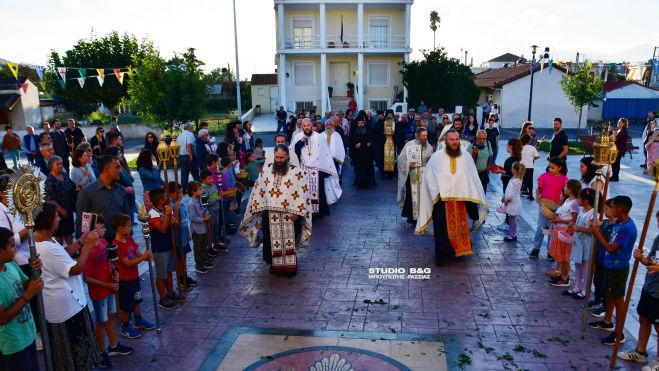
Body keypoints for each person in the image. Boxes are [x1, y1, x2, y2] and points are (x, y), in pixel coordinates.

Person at [35, 203, 101, 370]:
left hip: (70, 303)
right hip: (66, 308)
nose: (59, 218)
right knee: (74, 355)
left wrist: (80, 242)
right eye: (56, 216)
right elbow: (76, 269)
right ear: (47, 220)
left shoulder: (46, 240)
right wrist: (89, 245)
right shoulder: (46, 247)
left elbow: (62, 254)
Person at [415, 131, 488, 266]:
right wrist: (436, 191)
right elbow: (429, 177)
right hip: (442, 200)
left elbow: (471, 177)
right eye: (451, 139)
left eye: (456, 139)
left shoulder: (466, 157)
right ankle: (441, 255)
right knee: (441, 229)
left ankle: (458, 252)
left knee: (460, 227)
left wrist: (467, 192)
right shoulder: (437, 157)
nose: (454, 142)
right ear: (445, 141)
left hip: (460, 200)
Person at [240, 145, 313, 276]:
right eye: (276, 157)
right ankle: (274, 265)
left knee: (289, 240)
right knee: (270, 239)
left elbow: (302, 192)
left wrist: (297, 211)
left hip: (290, 215)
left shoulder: (296, 172)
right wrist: (257, 206)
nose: (279, 160)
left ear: (288, 157)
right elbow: (259, 189)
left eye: (282, 157)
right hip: (270, 213)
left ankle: (289, 267)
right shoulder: (267, 170)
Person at [81, 215, 133, 368]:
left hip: (109, 288)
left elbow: (110, 263)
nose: (104, 229)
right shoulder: (87, 250)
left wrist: (114, 273)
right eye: (101, 226)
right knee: (101, 321)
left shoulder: (104, 242)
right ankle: (101, 351)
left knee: (110, 317)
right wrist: (107, 285)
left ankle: (114, 345)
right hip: (100, 291)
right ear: (92, 229)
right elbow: (87, 278)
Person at [589, 195, 637, 346]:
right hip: (609, 264)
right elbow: (607, 231)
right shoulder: (617, 222)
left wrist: (597, 234)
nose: (611, 209)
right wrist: (599, 228)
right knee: (609, 294)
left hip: (618, 267)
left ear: (621, 209)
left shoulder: (628, 228)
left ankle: (619, 332)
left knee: (618, 299)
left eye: (614, 207)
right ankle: (608, 320)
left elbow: (610, 247)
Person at [616, 211, 659, 370]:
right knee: (644, 319)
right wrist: (641, 257)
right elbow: (650, 261)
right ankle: (640, 352)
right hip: (650, 286)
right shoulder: (658, 238)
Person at [0, 226, 43, 371]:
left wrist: (36, 270)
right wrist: (29, 295)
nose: (15, 249)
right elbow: (2, 318)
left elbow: (26, 286)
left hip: (27, 334)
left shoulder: (11, 265)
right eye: (12, 246)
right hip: (13, 345)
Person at [112, 213, 156, 340]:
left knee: (137, 299)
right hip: (124, 280)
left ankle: (138, 319)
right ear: (120, 228)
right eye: (129, 226)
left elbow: (137, 253)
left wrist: (146, 255)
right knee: (126, 304)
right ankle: (126, 326)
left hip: (134, 277)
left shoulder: (129, 239)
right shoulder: (117, 245)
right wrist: (144, 257)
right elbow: (127, 263)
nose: (131, 229)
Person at [291, 118, 342, 218]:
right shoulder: (298, 137)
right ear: (302, 127)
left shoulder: (319, 137)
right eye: (304, 126)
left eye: (308, 125)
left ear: (311, 125)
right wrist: (301, 142)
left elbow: (325, 153)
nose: (306, 128)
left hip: (317, 169)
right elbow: (292, 152)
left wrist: (325, 167)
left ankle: (318, 212)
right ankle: (306, 211)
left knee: (318, 191)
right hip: (303, 169)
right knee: (304, 191)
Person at [76, 155, 131, 242]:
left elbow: (126, 217)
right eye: (117, 167)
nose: (120, 171)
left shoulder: (121, 190)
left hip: (120, 244)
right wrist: (83, 244)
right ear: (107, 169)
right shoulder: (87, 192)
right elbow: (83, 223)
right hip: (98, 246)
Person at [528, 157, 568, 259]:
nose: (550, 169)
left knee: (553, 229)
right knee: (541, 227)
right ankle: (536, 248)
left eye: (553, 168)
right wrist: (538, 195)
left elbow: (565, 193)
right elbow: (539, 188)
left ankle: (551, 251)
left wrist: (562, 203)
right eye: (549, 167)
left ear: (559, 168)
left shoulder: (564, 179)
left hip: (557, 207)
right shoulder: (544, 176)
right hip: (545, 206)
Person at [147, 189, 179, 310]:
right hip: (160, 249)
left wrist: (174, 215)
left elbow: (174, 224)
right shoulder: (153, 214)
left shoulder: (165, 210)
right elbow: (162, 229)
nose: (167, 198)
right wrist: (167, 215)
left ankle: (171, 293)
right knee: (161, 274)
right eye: (165, 196)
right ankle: (163, 297)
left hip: (169, 245)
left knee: (169, 272)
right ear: (160, 200)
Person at [547, 179, 582, 287]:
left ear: (570, 189)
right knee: (560, 255)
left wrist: (559, 220)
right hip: (560, 230)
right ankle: (561, 274)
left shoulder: (574, 203)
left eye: (566, 187)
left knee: (565, 257)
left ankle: (565, 278)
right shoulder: (567, 201)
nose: (564, 188)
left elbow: (573, 220)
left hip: (566, 231)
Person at [398, 128, 433, 225]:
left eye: (426, 135)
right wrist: (409, 164)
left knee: (423, 195)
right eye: (423, 135)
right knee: (411, 195)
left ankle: (422, 216)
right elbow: (401, 158)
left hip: (424, 174)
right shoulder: (409, 145)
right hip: (413, 173)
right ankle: (412, 217)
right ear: (417, 136)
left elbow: (431, 160)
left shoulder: (429, 147)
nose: (425, 137)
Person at [566, 188, 596, 299]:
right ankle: (577, 286)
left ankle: (585, 289)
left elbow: (592, 231)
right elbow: (577, 221)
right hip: (578, 242)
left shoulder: (593, 213)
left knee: (586, 268)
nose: (578, 200)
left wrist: (578, 228)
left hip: (587, 244)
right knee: (577, 265)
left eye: (579, 198)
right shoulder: (582, 210)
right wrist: (572, 223)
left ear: (586, 200)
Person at [590, 199, 615, 318]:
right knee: (598, 281)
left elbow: (608, 243)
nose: (604, 211)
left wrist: (598, 231)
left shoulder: (616, 227)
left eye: (606, 209)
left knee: (606, 285)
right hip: (600, 258)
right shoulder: (605, 222)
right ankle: (597, 299)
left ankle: (605, 306)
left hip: (608, 260)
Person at [45, 156, 76, 247]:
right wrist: (61, 209)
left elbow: (72, 185)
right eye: (57, 164)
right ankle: (61, 251)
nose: (60, 166)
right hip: (58, 212)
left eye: (61, 163)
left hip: (68, 208)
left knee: (69, 232)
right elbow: (50, 199)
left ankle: (71, 250)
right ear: (51, 166)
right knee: (59, 234)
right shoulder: (49, 180)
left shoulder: (64, 174)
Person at [187, 182, 214, 274]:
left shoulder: (199, 200)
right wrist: (204, 219)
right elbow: (193, 218)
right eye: (199, 190)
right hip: (197, 230)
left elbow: (203, 208)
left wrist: (206, 212)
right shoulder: (191, 204)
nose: (201, 191)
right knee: (198, 248)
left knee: (203, 246)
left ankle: (203, 261)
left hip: (203, 228)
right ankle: (198, 265)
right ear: (193, 192)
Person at [200, 169, 225, 253]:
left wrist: (220, 194)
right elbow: (205, 203)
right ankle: (209, 246)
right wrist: (216, 199)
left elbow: (216, 194)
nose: (211, 180)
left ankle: (216, 242)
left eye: (211, 178)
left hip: (216, 210)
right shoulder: (203, 190)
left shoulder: (213, 185)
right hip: (210, 212)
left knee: (216, 227)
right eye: (209, 179)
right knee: (211, 229)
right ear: (203, 180)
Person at [349, 118, 377, 189]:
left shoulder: (368, 132)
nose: (360, 125)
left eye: (362, 123)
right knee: (359, 170)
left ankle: (368, 182)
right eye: (359, 123)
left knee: (368, 169)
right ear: (357, 124)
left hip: (367, 155)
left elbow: (373, 141)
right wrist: (355, 146)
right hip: (358, 156)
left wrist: (370, 144)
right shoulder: (354, 134)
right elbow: (351, 144)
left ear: (364, 124)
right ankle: (360, 183)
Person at [501, 162, 525, 242]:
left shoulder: (517, 181)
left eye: (512, 168)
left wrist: (507, 200)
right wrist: (504, 197)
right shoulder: (513, 179)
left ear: (515, 170)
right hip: (510, 202)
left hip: (513, 203)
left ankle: (513, 234)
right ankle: (511, 233)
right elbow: (509, 190)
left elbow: (514, 193)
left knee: (513, 220)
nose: (511, 169)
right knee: (511, 219)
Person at [469, 130, 493, 194]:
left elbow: (490, 157)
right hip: (474, 174)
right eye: (480, 138)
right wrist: (474, 154)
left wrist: (488, 169)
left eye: (484, 139)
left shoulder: (488, 144)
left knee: (483, 193)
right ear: (477, 137)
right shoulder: (471, 147)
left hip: (484, 173)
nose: (482, 141)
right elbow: (468, 163)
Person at [177, 122, 198, 191]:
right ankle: (199, 187)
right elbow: (189, 145)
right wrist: (191, 154)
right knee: (195, 172)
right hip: (188, 155)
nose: (193, 128)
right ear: (189, 128)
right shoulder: (190, 134)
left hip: (181, 156)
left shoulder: (180, 135)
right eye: (192, 127)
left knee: (184, 173)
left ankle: (184, 189)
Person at [220, 158, 237, 234]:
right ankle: (226, 229)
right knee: (226, 212)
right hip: (227, 195)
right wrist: (232, 190)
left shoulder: (224, 171)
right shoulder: (225, 173)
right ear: (229, 164)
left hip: (227, 194)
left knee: (227, 212)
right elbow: (228, 186)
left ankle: (228, 226)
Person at [520, 134, 539, 200]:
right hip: (530, 166)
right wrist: (532, 158)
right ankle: (531, 195)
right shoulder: (532, 147)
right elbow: (537, 156)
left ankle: (521, 190)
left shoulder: (520, 147)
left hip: (521, 166)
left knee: (521, 179)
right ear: (528, 141)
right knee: (530, 180)